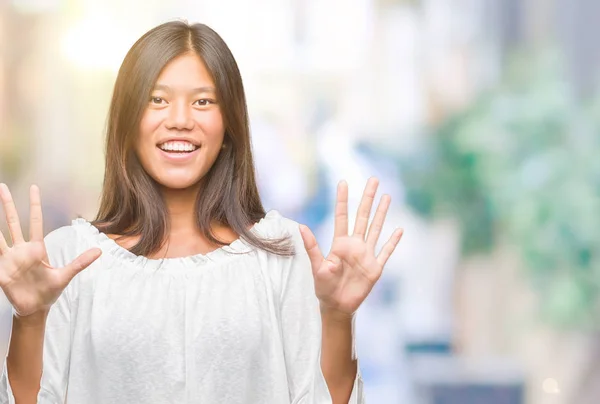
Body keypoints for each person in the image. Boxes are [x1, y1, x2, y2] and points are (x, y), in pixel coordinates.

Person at [0, 21, 402, 404]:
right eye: (157, 99)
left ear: (228, 125)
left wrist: (336, 315)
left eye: (203, 101)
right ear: (127, 120)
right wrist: (30, 317)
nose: (179, 120)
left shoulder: (282, 254)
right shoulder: (70, 259)